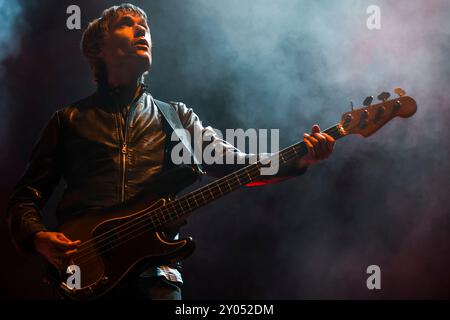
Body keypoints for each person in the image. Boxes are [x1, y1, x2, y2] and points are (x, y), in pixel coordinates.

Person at [6, 3, 335, 300]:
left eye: (145, 27)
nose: (141, 30)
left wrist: (298, 159)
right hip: (84, 270)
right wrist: (37, 238)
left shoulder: (176, 117)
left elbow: (238, 166)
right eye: (127, 23)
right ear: (100, 49)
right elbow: (25, 197)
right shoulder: (69, 121)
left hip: (156, 274)